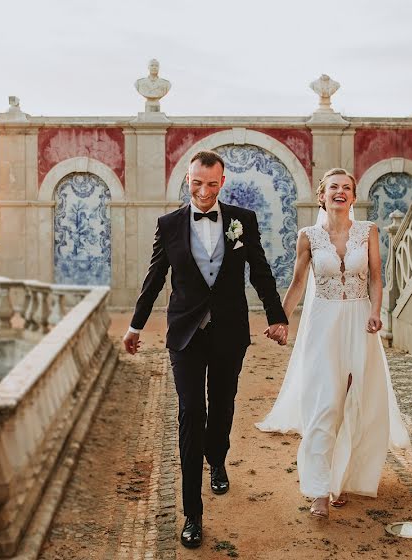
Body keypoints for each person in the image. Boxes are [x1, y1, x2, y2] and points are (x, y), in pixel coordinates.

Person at [122, 150, 287, 549]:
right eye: (197, 183)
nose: (204, 191)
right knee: (191, 412)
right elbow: (154, 278)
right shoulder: (169, 225)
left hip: (229, 330)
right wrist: (135, 325)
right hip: (185, 335)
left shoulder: (241, 221)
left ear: (222, 182)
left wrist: (275, 316)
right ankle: (192, 513)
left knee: (224, 403)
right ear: (187, 180)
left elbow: (260, 269)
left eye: (212, 184)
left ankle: (218, 458)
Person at [256, 167, 409, 519]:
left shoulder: (368, 232)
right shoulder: (308, 236)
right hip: (322, 325)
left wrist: (374, 311)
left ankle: (345, 477)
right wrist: (281, 320)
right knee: (325, 404)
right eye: (333, 187)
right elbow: (296, 284)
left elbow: (375, 277)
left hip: (359, 324)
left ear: (353, 197)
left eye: (347, 187)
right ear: (322, 195)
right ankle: (319, 489)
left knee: (357, 402)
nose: (340, 192)